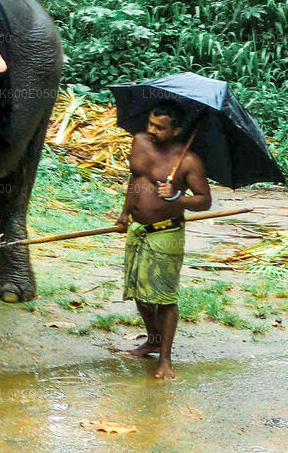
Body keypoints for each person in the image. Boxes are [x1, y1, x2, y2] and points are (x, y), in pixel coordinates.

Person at [116, 102, 212, 380]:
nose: (152, 130)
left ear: (177, 129)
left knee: (165, 298)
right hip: (138, 229)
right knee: (139, 292)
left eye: (160, 127)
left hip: (166, 232)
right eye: (150, 124)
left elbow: (204, 201)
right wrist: (125, 214)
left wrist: (175, 197)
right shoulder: (140, 142)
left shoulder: (189, 160)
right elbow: (135, 180)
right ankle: (153, 339)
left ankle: (165, 360)